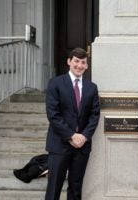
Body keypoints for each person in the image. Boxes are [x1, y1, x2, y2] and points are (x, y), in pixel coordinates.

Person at [45, 47, 100, 200]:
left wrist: (83, 136)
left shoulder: (91, 87)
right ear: (69, 62)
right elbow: (53, 114)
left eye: (83, 62)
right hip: (59, 144)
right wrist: (71, 136)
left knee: (76, 188)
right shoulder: (55, 83)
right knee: (54, 188)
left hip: (81, 146)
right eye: (76, 61)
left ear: (87, 66)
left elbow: (94, 115)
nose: (79, 65)